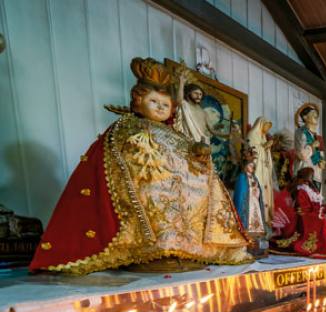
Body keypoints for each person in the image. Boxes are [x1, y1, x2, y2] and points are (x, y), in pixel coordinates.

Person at [29, 57, 250, 274]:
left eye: (165, 105)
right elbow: (125, 155)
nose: (160, 108)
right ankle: (157, 248)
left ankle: (188, 248)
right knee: (156, 193)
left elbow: (188, 153)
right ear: (138, 100)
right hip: (150, 176)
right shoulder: (127, 127)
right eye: (154, 102)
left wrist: (199, 154)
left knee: (200, 189)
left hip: (182, 183)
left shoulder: (174, 134)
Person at [233, 148, 267, 239]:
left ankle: (256, 231)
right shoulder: (242, 177)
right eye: (250, 166)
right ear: (246, 166)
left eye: (253, 166)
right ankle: (245, 229)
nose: (252, 168)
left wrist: (256, 190)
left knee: (255, 215)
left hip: (254, 201)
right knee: (248, 216)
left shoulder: (254, 177)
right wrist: (251, 189)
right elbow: (241, 192)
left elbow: (258, 189)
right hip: (247, 202)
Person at [246, 117, 276, 218]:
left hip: (264, 169)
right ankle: (259, 216)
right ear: (261, 124)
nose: (267, 129)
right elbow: (252, 150)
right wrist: (264, 147)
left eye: (269, 127)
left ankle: (266, 217)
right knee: (258, 190)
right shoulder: (252, 134)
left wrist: (267, 147)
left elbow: (265, 152)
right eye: (266, 126)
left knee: (266, 191)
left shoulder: (263, 137)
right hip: (258, 169)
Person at [294, 103, 326, 184]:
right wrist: (312, 146)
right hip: (305, 174)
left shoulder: (318, 137)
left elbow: (321, 154)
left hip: (316, 176)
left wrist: (322, 161)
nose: (316, 115)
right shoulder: (301, 133)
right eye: (312, 113)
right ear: (305, 117)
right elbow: (302, 155)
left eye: (316, 114)